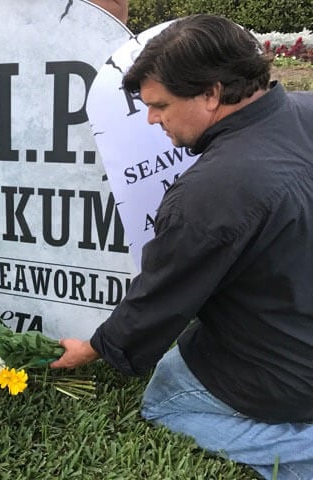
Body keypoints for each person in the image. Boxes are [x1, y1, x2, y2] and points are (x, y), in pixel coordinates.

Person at [51, 14, 313, 480]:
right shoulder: (305, 110)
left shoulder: (210, 193)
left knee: (165, 406)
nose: (152, 119)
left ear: (211, 94)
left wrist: (92, 349)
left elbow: (160, 300)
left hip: (286, 375)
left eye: (161, 105)